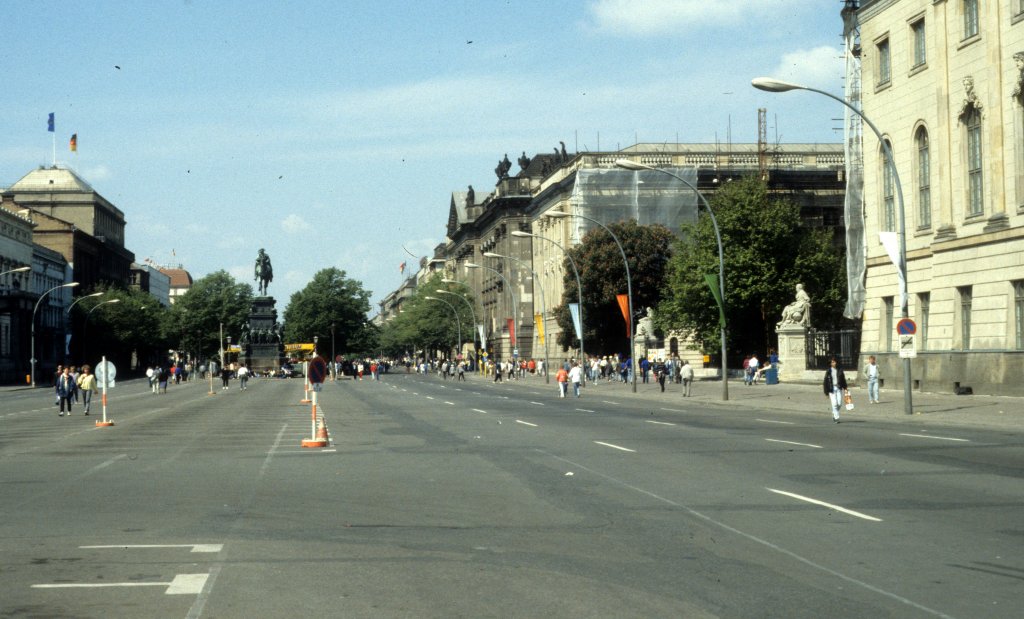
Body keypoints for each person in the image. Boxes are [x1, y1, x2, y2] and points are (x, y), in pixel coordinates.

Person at [823, 357, 849, 423]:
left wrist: (845, 388)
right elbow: (825, 382)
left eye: (834, 362)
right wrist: (826, 393)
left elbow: (843, 380)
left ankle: (834, 412)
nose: (834, 363)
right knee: (834, 404)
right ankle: (836, 418)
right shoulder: (828, 371)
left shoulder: (840, 370)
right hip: (832, 389)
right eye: (832, 362)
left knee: (839, 404)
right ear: (830, 363)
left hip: (838, 388)